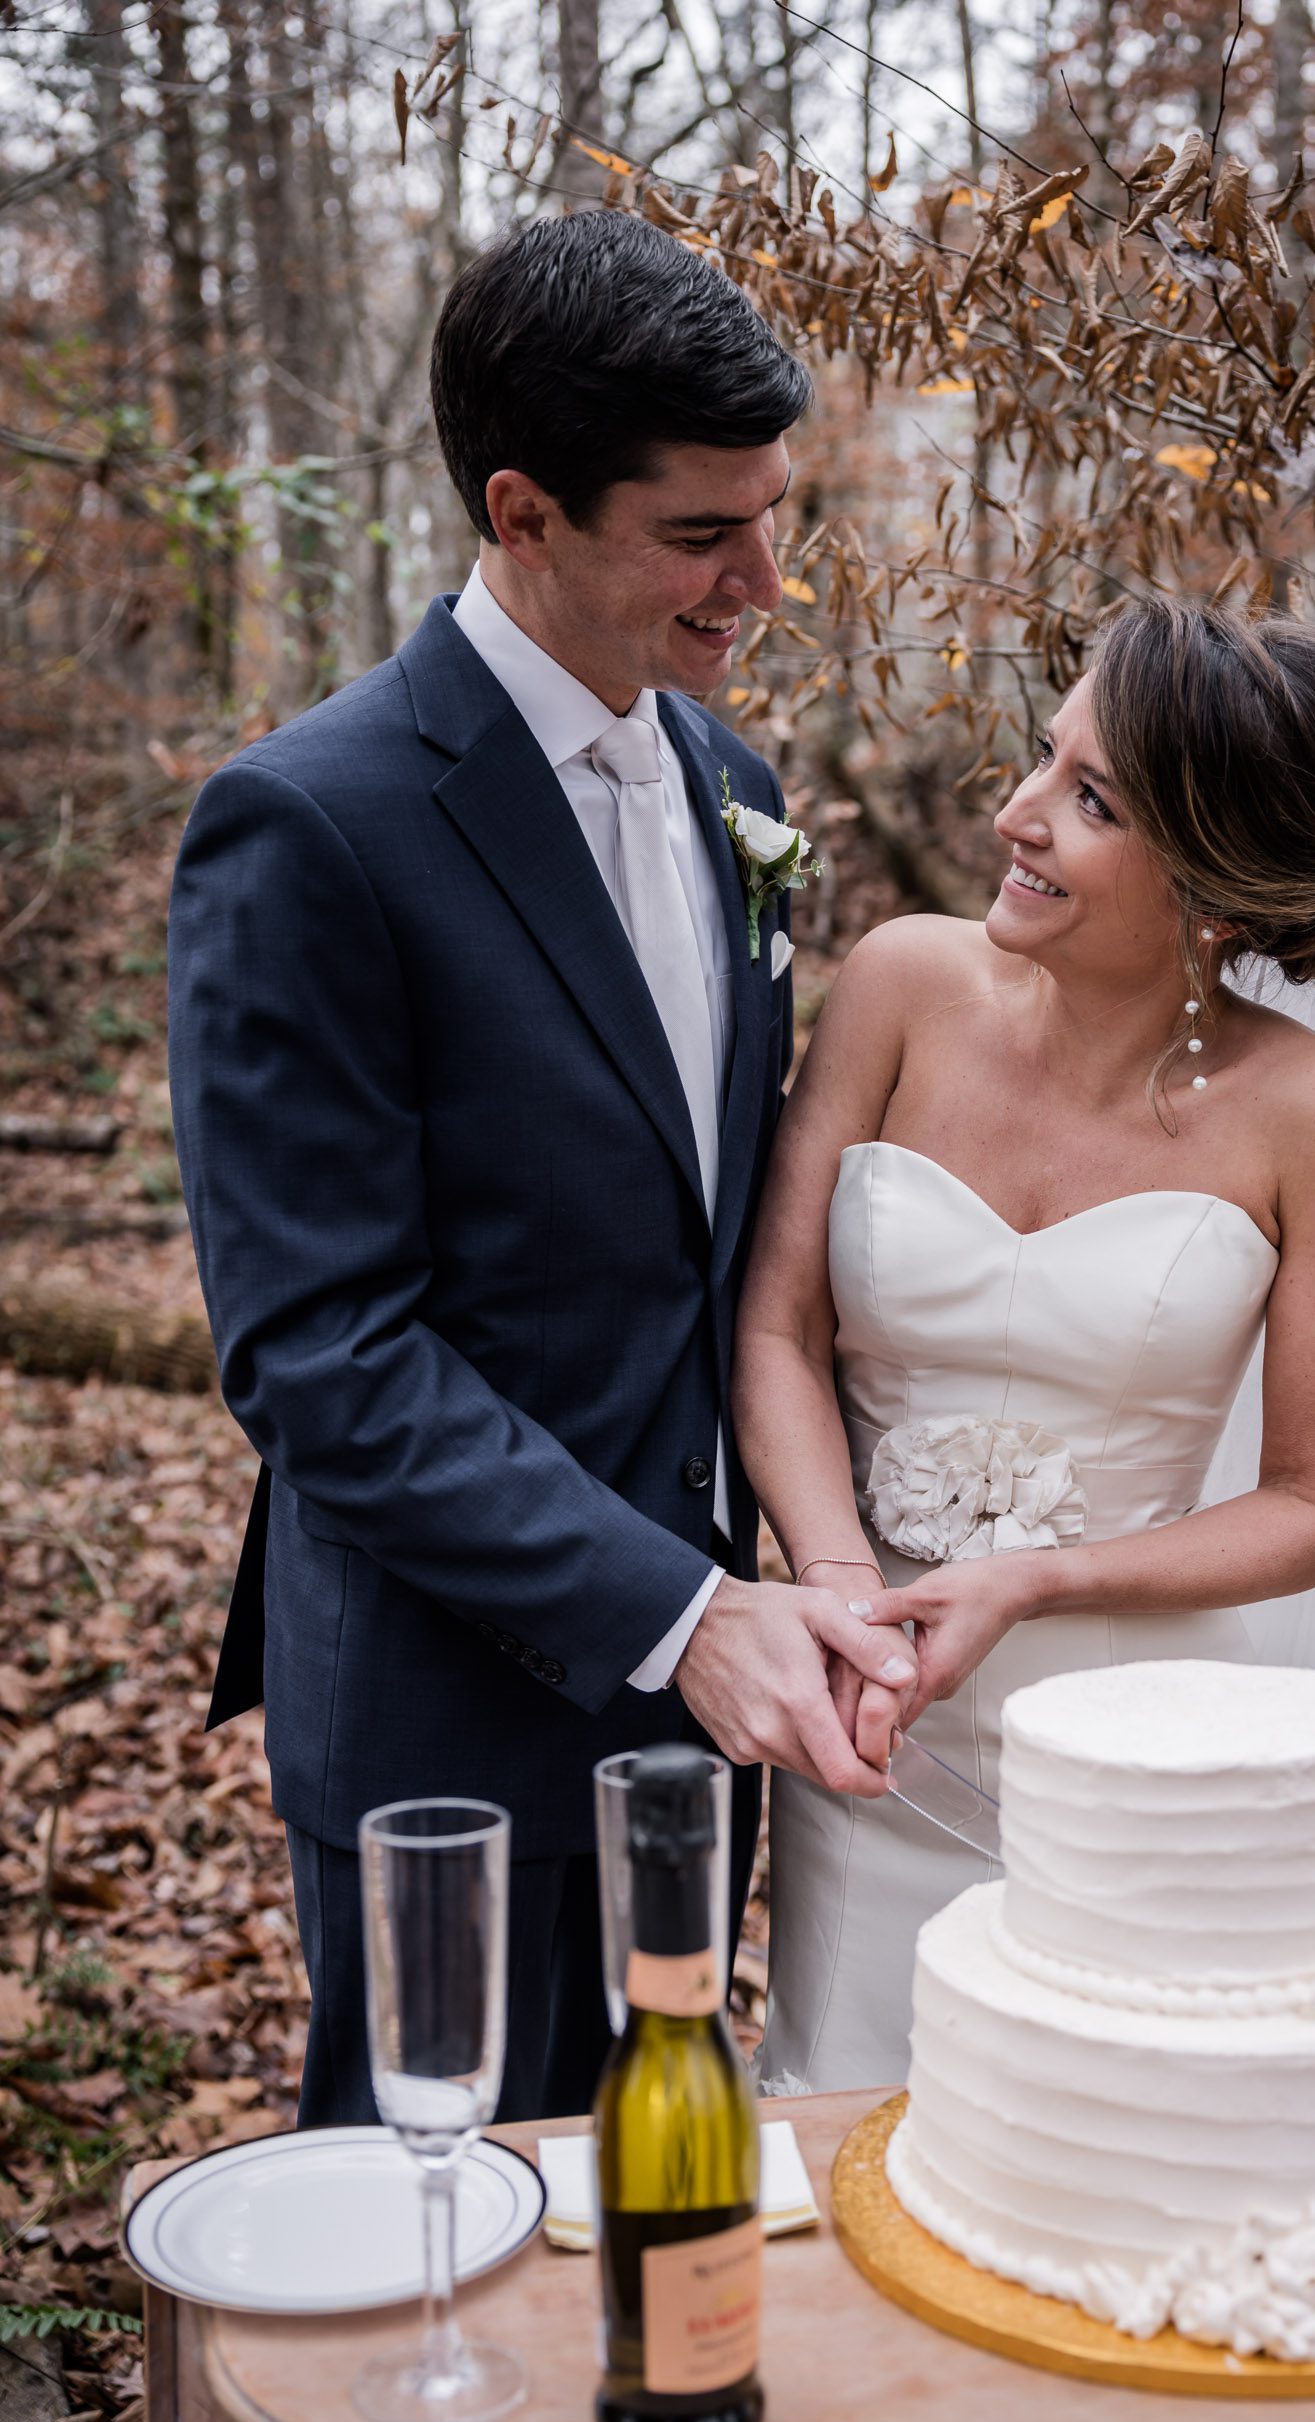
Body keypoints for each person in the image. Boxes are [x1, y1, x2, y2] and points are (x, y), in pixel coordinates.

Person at [168, 211, 908, 2128]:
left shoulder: (736, 789)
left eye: (773, 514)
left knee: (652, 2212)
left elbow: (713, 1243)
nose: (762, 577)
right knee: (449, 2252)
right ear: (522, 510)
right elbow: (321, 1352)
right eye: (698, 533)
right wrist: (676, 1609)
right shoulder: (309, 828)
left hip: (708, 1713)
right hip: (454, 1718)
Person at [738, 597, 1315, 2093]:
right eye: (1041, 761)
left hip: (1130, 1743)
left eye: (1091, 800)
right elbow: (775, 1327)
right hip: (872, 1703)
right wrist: (841, 1586)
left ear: (1222, 880)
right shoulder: (900, 986)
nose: (1015, 817)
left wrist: (1037, 1575)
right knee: (848, 2115)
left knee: (1090, 2156)